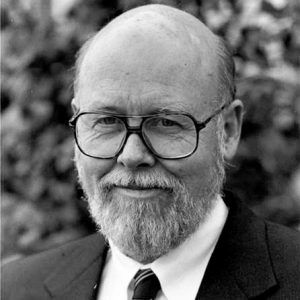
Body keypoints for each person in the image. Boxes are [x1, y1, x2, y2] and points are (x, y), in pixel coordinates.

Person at [2, 4, 300, 300]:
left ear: (228, 130)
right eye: (107, 121)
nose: (132, 156)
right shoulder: (15, 289)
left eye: (166, 123)